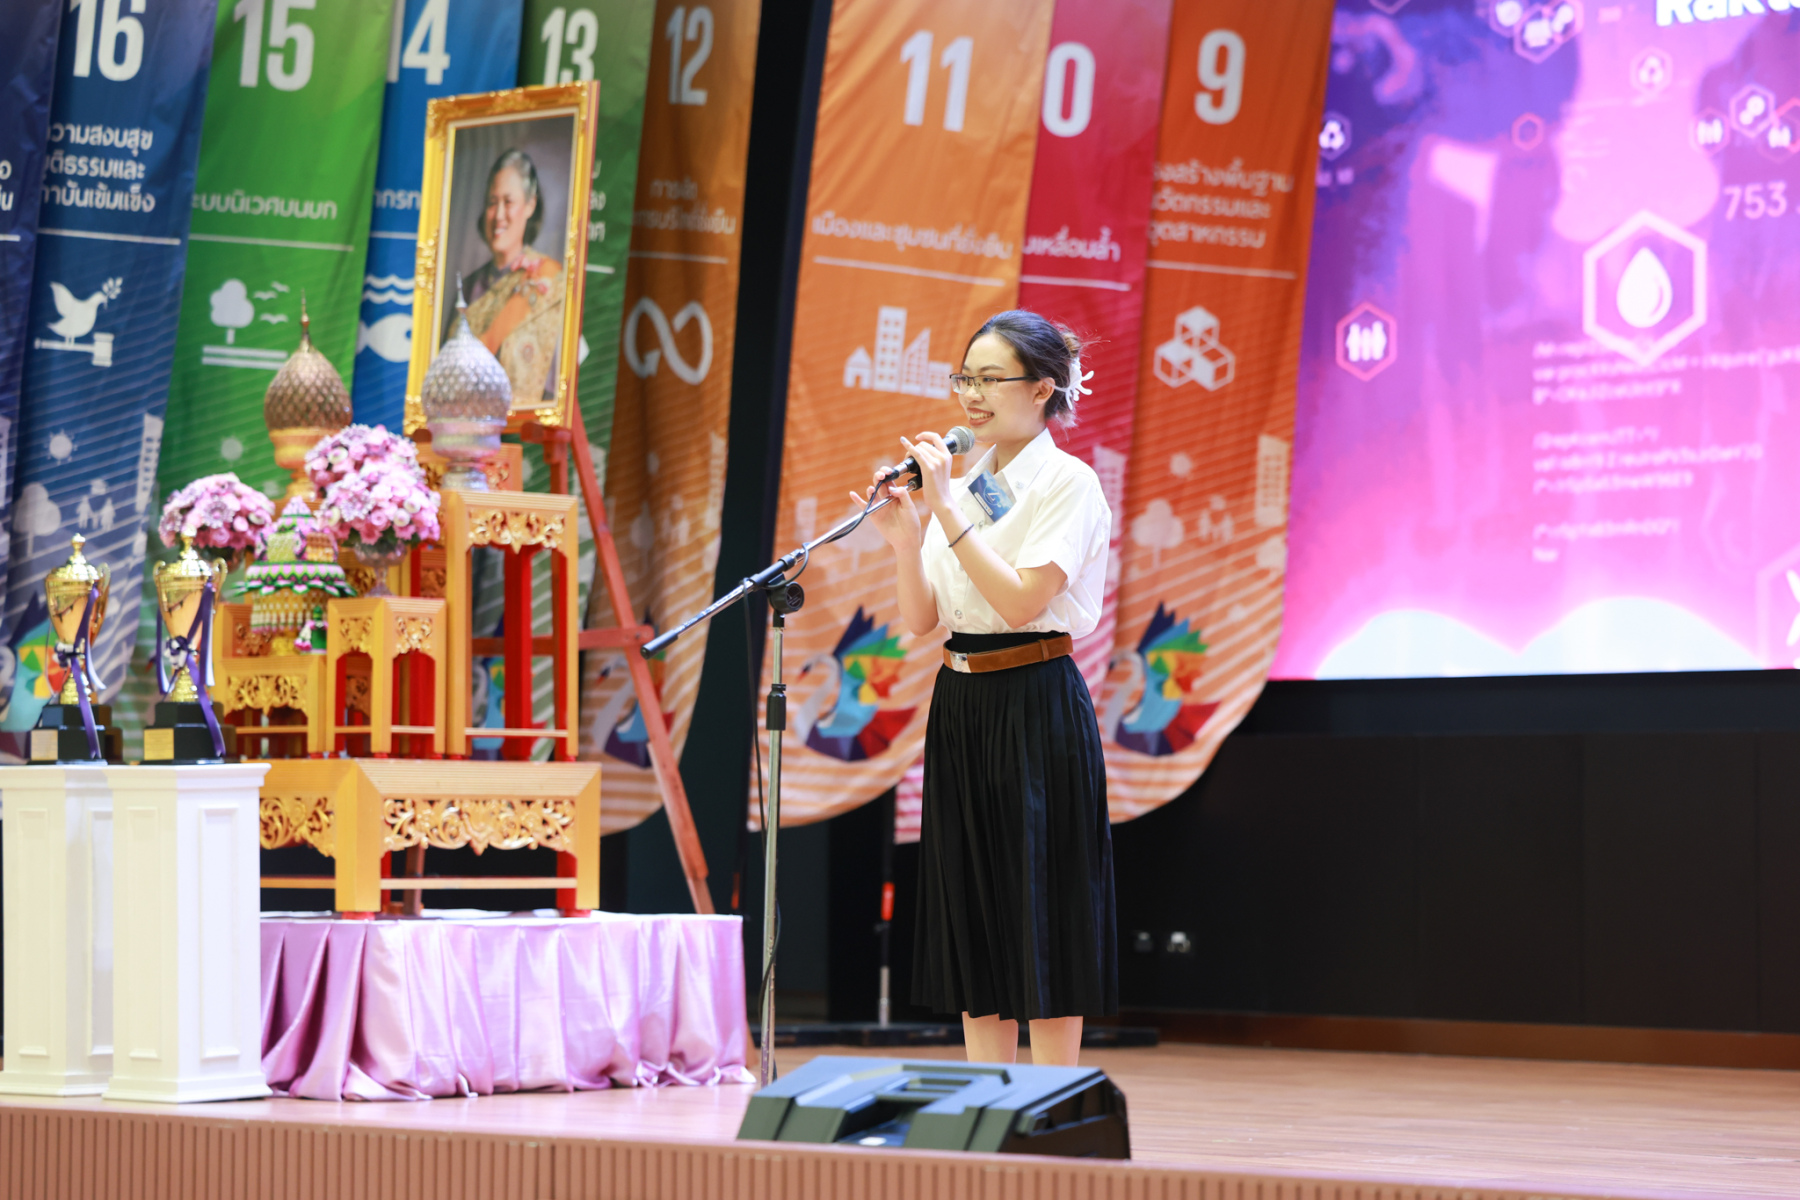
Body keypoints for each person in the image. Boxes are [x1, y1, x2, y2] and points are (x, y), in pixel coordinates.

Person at [859, 309, 1115, 1067]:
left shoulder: (1068, 483)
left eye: (989, 379)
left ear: (1041, 389)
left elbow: (1022, 601)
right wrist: (907, 540)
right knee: (973, 901)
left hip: (1035, 698)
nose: (971, 395)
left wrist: (944, 508)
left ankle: (1052, 1101)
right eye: (964, 379)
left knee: (1044, 901)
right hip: (962, 702)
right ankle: (988, 1099)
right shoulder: (967, 486)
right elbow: (921, 621)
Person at [449, 147, 564, 404]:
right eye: (492, 203)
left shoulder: (548, 280)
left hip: (526, 424)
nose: (499, 215)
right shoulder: (468, 288)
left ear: (530, 205)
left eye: (508, 202)